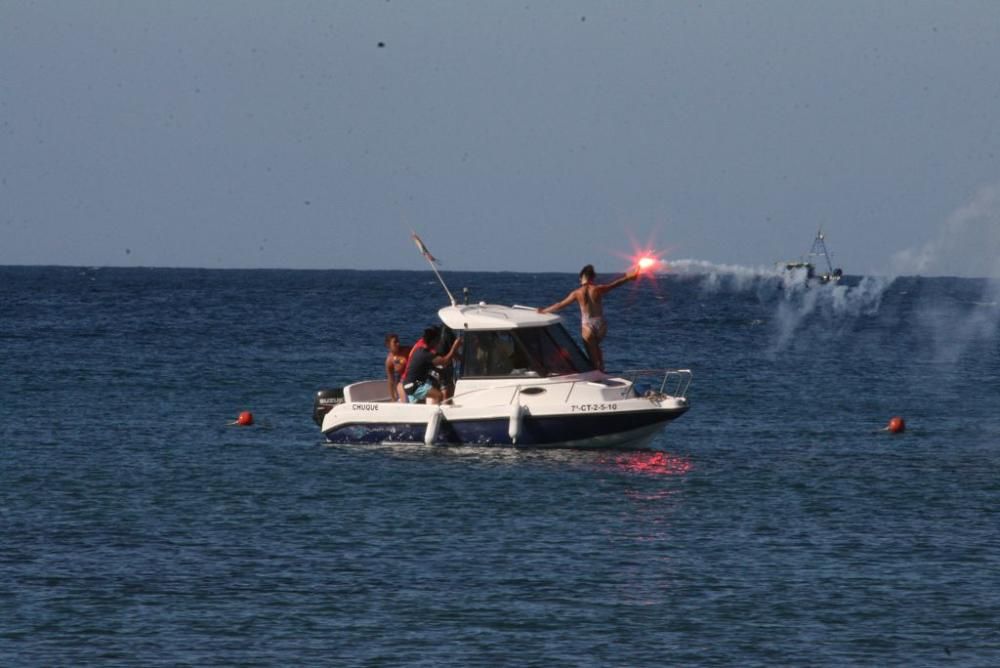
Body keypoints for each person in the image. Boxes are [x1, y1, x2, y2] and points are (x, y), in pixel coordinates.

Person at [538, 264, 638, 371]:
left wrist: (544, 311)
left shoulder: (577, 293)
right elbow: (614, 284)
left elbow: (560, 305)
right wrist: (628, 277)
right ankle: (602, 368)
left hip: (588, 324)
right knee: (596, 346)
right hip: (601, 325)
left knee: (592, 357)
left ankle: (597, 374)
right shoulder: (598, 289)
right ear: (593, 277)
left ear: (581, 277)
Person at [402, 326, 462, 404]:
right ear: (433, 341)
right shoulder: (425, 354)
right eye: (438, 341)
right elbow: (445, 361)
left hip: (415, 383)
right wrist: (454, 347)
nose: (438, 343)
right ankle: (435, 415)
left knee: (421, 404)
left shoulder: (422, 350)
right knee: (438, 395)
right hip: (413, 385)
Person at [384, 333, 412, 402]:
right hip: (402, 381)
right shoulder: (389, 360)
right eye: (395, 342)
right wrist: (393, 397)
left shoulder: (407, 350)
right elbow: (391, 380)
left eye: (398, 341)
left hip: (412, 376)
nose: (398, 344)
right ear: (388, 345)